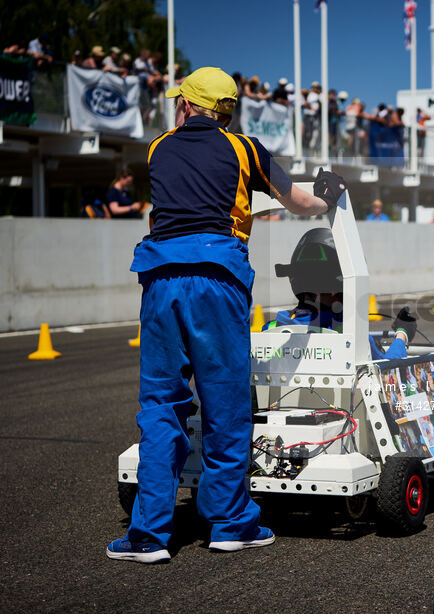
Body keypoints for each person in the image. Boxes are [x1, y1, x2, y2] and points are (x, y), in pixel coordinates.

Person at [106, 66, 338, 564]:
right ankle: (230, 524)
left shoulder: (158, 148)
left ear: (187, 105)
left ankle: (148, 535)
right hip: (218, 276)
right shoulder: (244, 148)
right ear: (226, 111)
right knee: (225, 402)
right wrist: (327, 196)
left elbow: (161, 212)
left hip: (161, 277)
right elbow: (297, 202)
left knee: (161, 406)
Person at [267, 228, 415, 361]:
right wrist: (402, 334)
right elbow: (387, 369)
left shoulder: (270, 329)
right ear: (336, 287)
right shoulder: (350, 335)